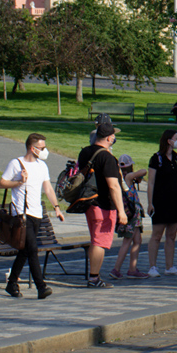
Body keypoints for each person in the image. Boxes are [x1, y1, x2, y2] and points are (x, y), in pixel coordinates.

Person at [0, 133, 64, 299]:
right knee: (32, 249)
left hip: (36, 213)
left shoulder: (42, 166)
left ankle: (12, 283)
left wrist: (56, 207)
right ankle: (41, 287)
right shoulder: (16, 163)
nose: (45, 151)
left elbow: (48, 188)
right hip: (21, 214)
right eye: (42, 148)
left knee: (26, 250)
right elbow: (2, 183)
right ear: (32, 148)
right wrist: (19, 182)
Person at [77, 120, 127, 288]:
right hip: (104, 205)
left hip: (89, 202)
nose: (114, 139)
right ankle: (94, 278)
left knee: (95, 239)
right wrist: (122, 211)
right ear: (108, 138)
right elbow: (113, 185)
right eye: (113, 136)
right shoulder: (107, 157)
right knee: (100, 242)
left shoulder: (85, 152)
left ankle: (93, 275)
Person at [145, 129, 177, 278]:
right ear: (169, 141)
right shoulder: (156, 159)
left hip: (175, 199)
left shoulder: (176, 158)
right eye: (176, 138)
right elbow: (150, 182)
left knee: (172, 235)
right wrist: (150, 202)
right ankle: (152, 266)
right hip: (160, 200)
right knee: (157, 235)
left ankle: (169, 266)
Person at [110, 155, 147, 280]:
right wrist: (137, 175)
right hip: (131, 214)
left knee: (137, 241)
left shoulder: (118, 177)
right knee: (127, 241)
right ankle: (116, 269)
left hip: (130, 213)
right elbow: (144, 171)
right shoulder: (127, 177)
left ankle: (133, 269)